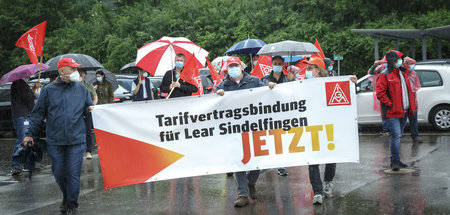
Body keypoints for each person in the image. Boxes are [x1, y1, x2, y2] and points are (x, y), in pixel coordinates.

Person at [23, 58, 94, 215]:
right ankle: (66, 196)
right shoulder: (48, 91)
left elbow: (90, 113)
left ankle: (72, 206)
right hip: (55, 141)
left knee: (73, 173)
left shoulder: (82, 90)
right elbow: (37, 114)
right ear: (62, 71)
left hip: (76, 140)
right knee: (59, 172)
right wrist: (29, 135)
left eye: (76, 69)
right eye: (73, 69)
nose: (77, 73)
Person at [302, 57, 357, 205]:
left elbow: (346, 96)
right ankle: (317, 192)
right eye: (306, 68)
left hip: (329, 127)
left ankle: (328, 182)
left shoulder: (332, 83)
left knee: (330, 156)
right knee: (312, 160)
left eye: (310, 68)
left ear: (318, 70)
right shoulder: (301, 85)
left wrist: (351, 82)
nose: (306, 71)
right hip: (311, 127)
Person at [216, 56, 269, 207]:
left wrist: (271, 87)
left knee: (258, 160)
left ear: (241, 66)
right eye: (230, 66)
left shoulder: (254, 81)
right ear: (227, 68)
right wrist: (217, 96)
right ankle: (243, 194)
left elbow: (267, 94)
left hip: (254, 126)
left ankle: (250, 182)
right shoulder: (222, 85)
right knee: (238, 160)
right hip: (234, 129)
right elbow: (212, 104)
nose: (233, 68)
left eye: (235, 65)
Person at [376, 51, 416, 172]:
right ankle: (394, 161)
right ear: (392, 60)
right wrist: (390, 104)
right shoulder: (385, 75)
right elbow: (380, 93)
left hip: (403, 110)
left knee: (397, 136)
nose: (401, 62)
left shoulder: (402, 73)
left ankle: (396, 160)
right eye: (399, 59)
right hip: (392, 112)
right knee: (396, 136)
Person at [261, 55, 290, 176]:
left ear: (283, 65)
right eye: (275, 63)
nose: (277, 65)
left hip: (284, 112)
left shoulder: (288, 79)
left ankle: (282, 165)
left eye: (280, 63)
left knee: (282, 138)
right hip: (270, 113)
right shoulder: (265, 80)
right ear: (271, 64)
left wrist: (292, 81)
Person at [10, 76, 40, 175]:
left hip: (26, 115)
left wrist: (35, 88)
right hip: (21, 116)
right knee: (22, 139)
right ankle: (16, 166)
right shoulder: (18, 83)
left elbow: (28, 97)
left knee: (28, 140)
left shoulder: (22, 83)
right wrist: (33, 90)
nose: (29, 76)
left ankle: (28, 165)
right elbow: (26, 97)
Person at [403, 57, 422, 143]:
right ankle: (398, 136)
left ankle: (415, 135)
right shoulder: (402, 74)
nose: (412, 66)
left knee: (414, 119)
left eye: (413, 64)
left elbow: (416, 86)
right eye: (410, 64)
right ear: (406, 65)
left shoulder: (414, 74)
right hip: (404, 100)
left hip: (413, 101)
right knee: (401, 121)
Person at [79, 70, 98, 159]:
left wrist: (92, 106)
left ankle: (88, 151)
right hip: (76, 111)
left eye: (80, 75)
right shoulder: (73, 86)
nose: (79, 77)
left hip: (87, 110)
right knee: (78, 132)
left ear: (84, 77)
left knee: (88, 132)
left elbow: (95, 98)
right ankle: (78, 151)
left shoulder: (89, 86)